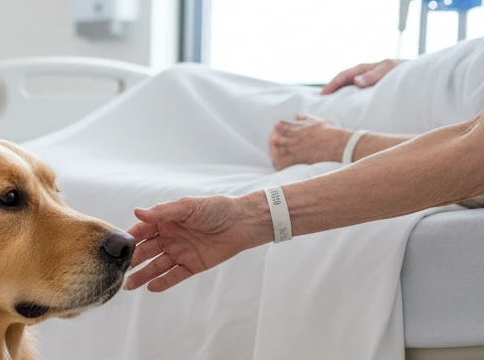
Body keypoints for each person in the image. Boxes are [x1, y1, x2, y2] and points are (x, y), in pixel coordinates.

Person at [125, 58, 484, 293]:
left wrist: (339, 146)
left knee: (181, 94)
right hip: (411, 87)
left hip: (373, 123)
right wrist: (423, 66)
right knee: (181, 84)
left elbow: (471, 155)